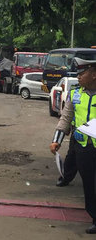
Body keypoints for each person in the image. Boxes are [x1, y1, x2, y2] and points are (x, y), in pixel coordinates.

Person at [50, 57, 96, 234]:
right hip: (83, 147)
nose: (79, 77)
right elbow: (65, 119)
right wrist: (56, 140)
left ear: (94, 75)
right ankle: (94, 217)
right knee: (89, 184)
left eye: (82, 73)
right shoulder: (75, 94)